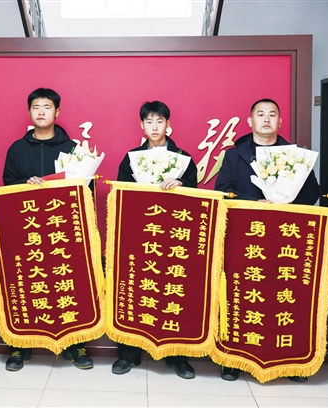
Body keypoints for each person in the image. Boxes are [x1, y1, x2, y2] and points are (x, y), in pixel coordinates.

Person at [213, 98, 320, 383]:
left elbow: (313, 192)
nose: (266, 119)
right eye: (260, 114)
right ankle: (232, 359)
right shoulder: (235, 155)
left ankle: (289, 360)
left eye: (272, 114)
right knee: (240, 295)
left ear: (280, 121)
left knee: (283, 296)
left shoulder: (296, 156)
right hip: (244, 237)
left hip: (286, 239)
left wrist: (288, 201)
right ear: (250, 121)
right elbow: (223, 190)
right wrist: (254, 202)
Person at [1, 87, 93, 371]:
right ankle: (20, 344)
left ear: (57, 112)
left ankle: (76, 343)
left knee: (71, 284)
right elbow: (7, 185)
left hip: (61, 230)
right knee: (26, 284)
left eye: (47, 107)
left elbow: (87, 189)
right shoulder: (16, 149)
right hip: (26, 229)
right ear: (29, 112)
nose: (41, 112)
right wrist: (24, 185)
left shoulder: (73, 149)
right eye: (36, 107)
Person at [112, 100, 199, 380]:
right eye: (149, 121)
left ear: (168, 124)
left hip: (174, 238)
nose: (154, 126)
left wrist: (182, 185)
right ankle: (128, 354)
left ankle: (178, 357)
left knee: (173, 291)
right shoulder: (131, 158)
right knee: (135, 290)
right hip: (140, 235)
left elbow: (197, 197)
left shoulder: (183, 158)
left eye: (159, 121)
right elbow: (120, 192)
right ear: (141, 125)